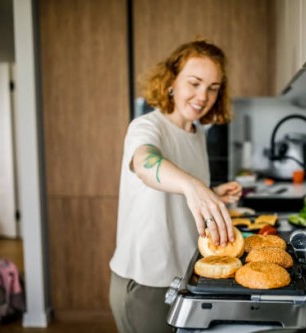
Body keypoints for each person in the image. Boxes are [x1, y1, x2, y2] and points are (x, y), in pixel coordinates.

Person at [109, 40, 242, 333]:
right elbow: (146, 163)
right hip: (146, 281)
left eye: (213, 87)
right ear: (171, 81)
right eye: (194, 83)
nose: (202, 96)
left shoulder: (197, 133)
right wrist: (194, 186)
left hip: (183, 273)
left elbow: (175, 192)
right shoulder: (146, 126)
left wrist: (211, 193)